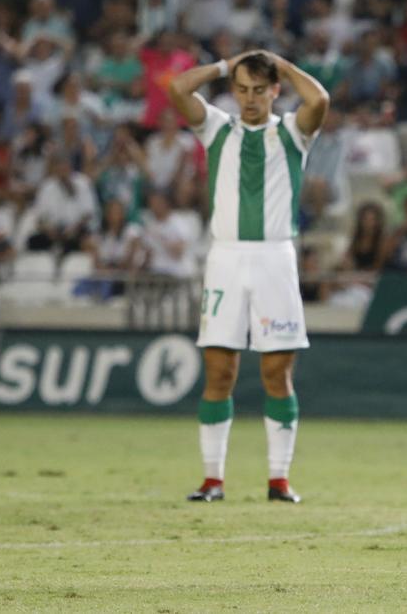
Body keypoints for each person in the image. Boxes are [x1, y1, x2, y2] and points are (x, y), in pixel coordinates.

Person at [168, 48, 329, 503]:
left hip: (275, 259)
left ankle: (279, 480)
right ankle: (212, 480)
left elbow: (319, 100)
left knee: (277, 372)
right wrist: (225, 65)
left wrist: (285, 64)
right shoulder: (217, 127)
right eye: (241, 89)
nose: (250, 98)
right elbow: (178, 87)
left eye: (259, 89)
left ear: (275, 90)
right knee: (219, 371)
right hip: (226, 260)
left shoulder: (292, 132)